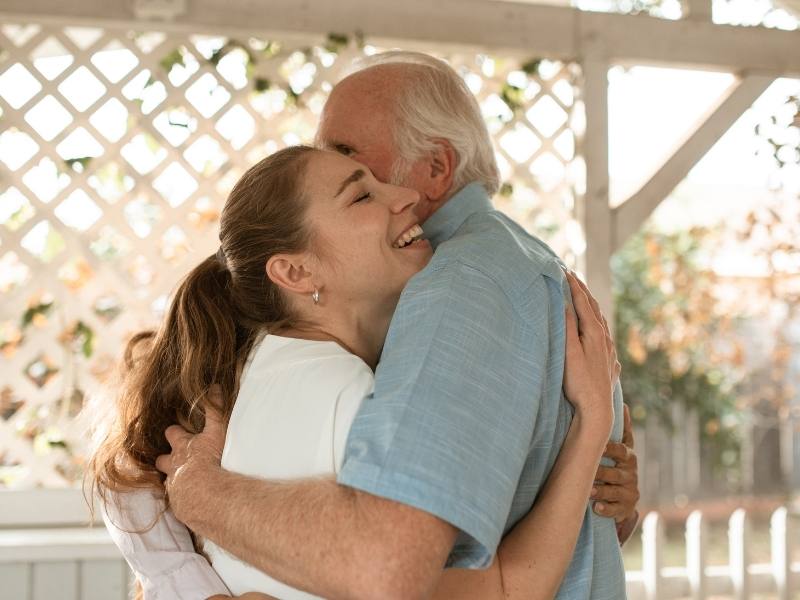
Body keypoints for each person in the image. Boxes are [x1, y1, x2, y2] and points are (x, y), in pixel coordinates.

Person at [101, 51, 639, 598]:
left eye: (345, 153)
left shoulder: (456, 289)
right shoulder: (517, 273)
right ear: (293, 271)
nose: (396, 199)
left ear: (434, 169)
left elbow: (392, 565)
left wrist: (197, 492)